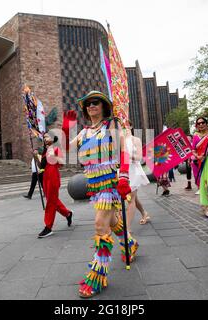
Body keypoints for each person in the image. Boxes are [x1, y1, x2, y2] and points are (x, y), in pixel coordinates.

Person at [63, 91, 136, 298]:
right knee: (112, 221)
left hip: (111, 183)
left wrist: (123, 178)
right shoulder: (85, 132)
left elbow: (123, 149)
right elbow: (66, 150)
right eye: (88, 104)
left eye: (96, 102)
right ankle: (129, 243)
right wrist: (65, 131)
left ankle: (97, 276)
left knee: (99, 225)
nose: (91, 106)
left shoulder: (111, 125)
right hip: (95, 184)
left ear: (104, 106)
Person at [34, 133, 73, 238]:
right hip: (45, 176)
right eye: (44, 137)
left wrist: (53, 156)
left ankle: (48, 227)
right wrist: (36, 156)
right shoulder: (46, 150)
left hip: (53, 176)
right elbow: (41, 165)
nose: (45, 138)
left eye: (47, 136)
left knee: (51, 202)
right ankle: (67, 214)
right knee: (53, 200)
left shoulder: (56, 148)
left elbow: (62, 162)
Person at [125, 123, 151, 232]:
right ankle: (144, 213)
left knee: (130, 198)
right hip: (122, 170)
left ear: (131, 126)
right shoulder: (117, 140)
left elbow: (139, 157)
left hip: (133, 170)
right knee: (131, 197)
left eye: (126, 125)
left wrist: (127, 155)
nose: (124, 127)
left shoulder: (135, 140)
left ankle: (127, 228)